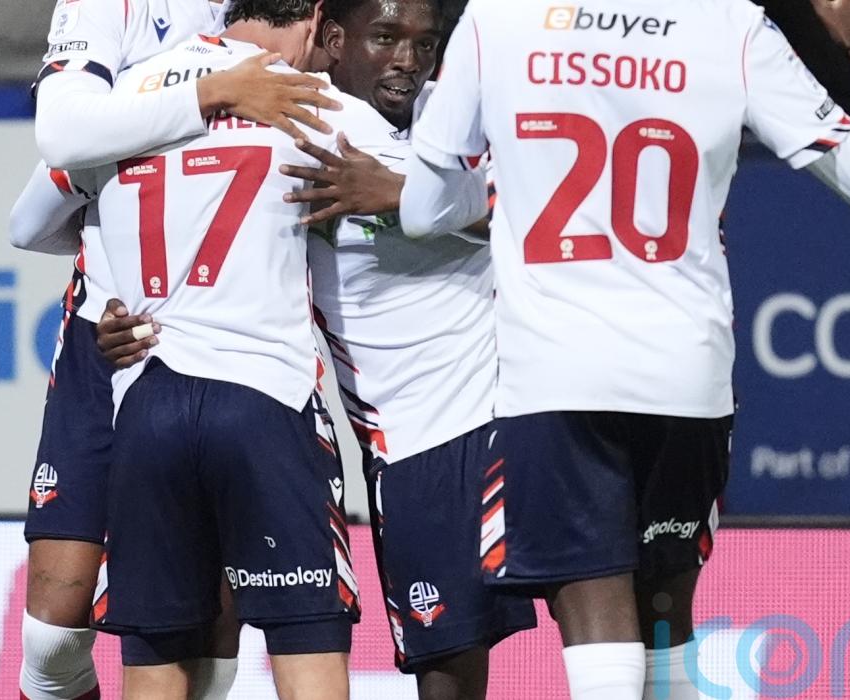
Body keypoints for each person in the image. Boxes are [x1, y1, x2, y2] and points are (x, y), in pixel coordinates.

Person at [321, 0, 850, 697]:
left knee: (602, 642)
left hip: (558, 376)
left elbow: (423, 210)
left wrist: (507, 187)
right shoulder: (732, 24)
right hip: (688, 373)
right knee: (664, 627)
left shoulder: (498, 21)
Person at [93, 0, 533, 697]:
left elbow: (555, 200)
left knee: (612, 609)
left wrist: (403, 196)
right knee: (427, 660)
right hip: (388, 433)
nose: (408, 61)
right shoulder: (306, 113)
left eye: (425, 43)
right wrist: (117, 306)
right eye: (384, 37)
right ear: (327, 34)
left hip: (503, 413)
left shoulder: (456, 113)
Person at [13, 0, 347, 696]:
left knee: (203, 619)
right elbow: (60, 141)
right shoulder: (115, 7)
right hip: (113, 336)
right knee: (53, 633)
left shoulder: (253, 35)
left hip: (197, 351)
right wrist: (213, 94)